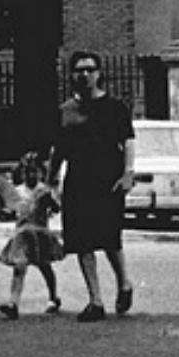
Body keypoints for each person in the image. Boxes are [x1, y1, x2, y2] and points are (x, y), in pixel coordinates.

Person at [49, 51, 136, 322]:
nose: (84, 74)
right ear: (72, 75)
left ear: (99, 73)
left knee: (110, 238)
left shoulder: (115, 107)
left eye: (90, 69)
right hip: (78, 182)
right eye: (79, 70)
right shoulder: (65, 111)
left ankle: (124, 284)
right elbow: (58, 149)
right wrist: (51, 181)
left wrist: (128, 173)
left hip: (108, 180)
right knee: (82, 241)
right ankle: (95, 301)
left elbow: (128, 141)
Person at [0, 152, 62, 320]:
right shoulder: (17, 191)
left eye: (34, 171)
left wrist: (50, 200)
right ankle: (13, 303)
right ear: (22, 173)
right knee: (19, 267)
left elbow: (56, 208)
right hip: (22, 236)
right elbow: (9, 209)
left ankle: (53, 297)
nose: (31, 175)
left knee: (45, 267)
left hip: (39, 234)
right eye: (27, 171)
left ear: (40, 172)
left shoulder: (43, 190)